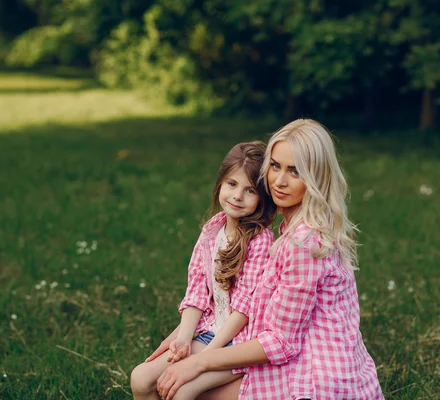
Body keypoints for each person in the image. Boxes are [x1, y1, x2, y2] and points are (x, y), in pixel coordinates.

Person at [155, 119, 384, 400]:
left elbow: (282, 342)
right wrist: (183, 334)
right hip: (302, 357)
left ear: (316, 178)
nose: (279, 181)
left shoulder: (303, 243)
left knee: (182, 390)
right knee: (167, 385)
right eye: (275, 166)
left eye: (295, 171)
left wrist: (198, 361)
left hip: (312, 376)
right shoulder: (296, 230)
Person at [130, 141, 277, 400]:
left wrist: (205, 359)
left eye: (249, 190)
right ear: (220, 183)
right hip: (210, 332)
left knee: (182, 391)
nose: (237, 196)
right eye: (231, 184)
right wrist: (184, 338)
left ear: (262, 198)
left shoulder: (260, 240)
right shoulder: (213, 229)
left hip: (240, 343)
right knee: (141, 378)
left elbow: (244, 310)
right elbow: (197, 287)